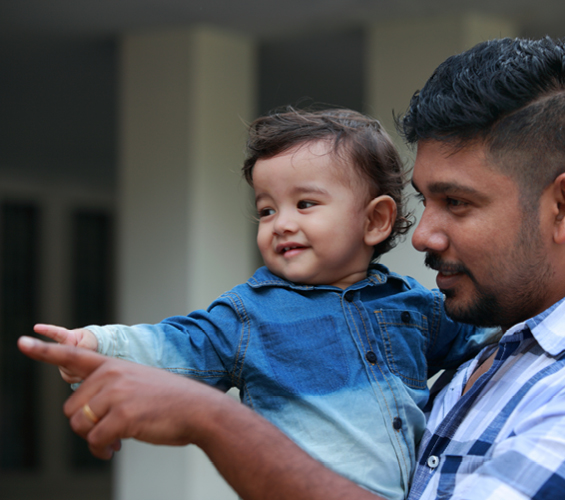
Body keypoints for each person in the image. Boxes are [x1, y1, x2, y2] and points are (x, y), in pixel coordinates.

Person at [19, 36, 565, 499]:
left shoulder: (419, 314)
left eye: (458, 203)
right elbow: (182, 343)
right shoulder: (254, 314)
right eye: (266, 210)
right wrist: (101, 344)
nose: (423, 234)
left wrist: (214, 421)